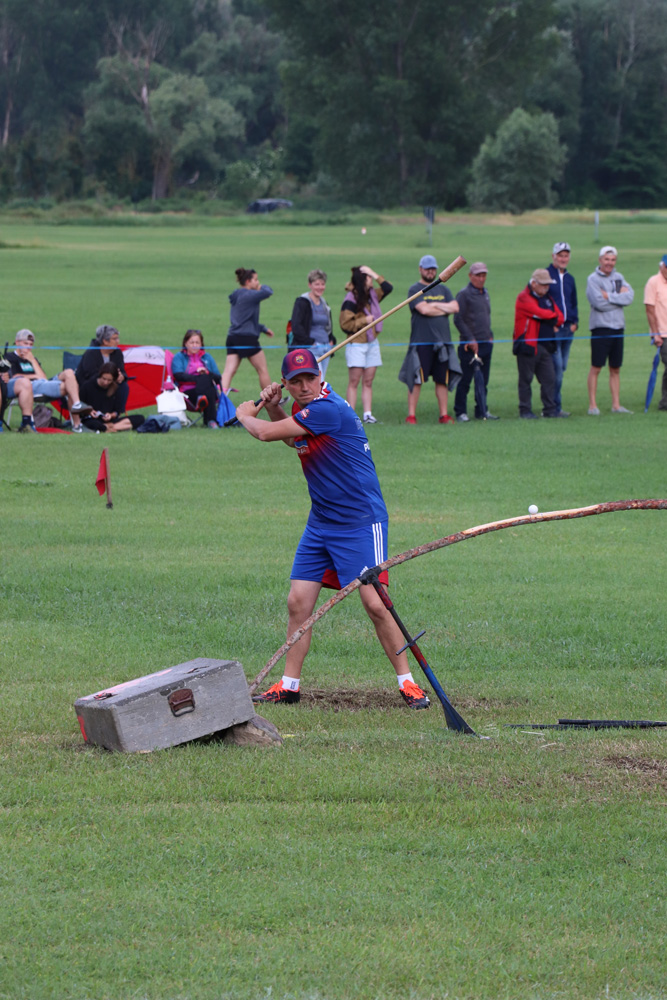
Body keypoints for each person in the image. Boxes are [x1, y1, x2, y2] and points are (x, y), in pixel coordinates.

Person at [236, 348, 431, 710]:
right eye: (296, 381)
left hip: (361, 521)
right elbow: (293, 438)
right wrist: (276, 407)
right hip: (322, 522)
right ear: (286, 384)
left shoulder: (329, 409)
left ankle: (408, 683)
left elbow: (264, 434)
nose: (305, 386)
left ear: (321, 376)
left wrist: (246, 414)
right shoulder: (306, 411)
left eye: (310, 378)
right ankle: (289, 686)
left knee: (375, 604)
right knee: (298, 602)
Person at [399, 255, 460, 424]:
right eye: (427, 269)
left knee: (442, 380)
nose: (430, 272)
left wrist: (434, 305)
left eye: (433, 269)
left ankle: (443, 415)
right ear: (420, 269)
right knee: (417, 379)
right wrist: (443, 308)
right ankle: (411, 415)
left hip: (443, 343)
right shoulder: (415, 289)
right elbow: (423, 310)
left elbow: (455, 307)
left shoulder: (444, 290)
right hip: (422, 342)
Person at [5, 328, 89, 432]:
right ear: (17, 342)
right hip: (30, 387)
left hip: (43, 383)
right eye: (25, 343)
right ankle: (77, 425)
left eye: (31, 344)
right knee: (70, 387)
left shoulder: (32, 358)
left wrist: (32, 360)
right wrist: (35, 376)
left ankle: (77, 404)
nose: (28, 347)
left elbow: (43, 378)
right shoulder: (9, 357)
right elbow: (15, 377)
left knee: (69, 372)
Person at [339, 265, 393, 423]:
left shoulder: (372, 295)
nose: (372, 280)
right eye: (368, 277)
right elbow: (345, 325)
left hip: (372, 343)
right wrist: (364, 321)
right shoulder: (351, 299)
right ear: (362, 280)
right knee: (354, 381)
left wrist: (374, 273)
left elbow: (388, 288)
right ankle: (350, 417)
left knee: (368, 381)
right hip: (357, 344)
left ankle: (368, 415)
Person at [586, 246, 634, 415]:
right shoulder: (593, 279)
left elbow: (630, 297)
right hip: (601, 328)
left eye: (613, 260)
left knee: (615, 368)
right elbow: (598, 303)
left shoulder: (619, 277)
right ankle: (592, 405)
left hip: (618, 328)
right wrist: (618, 299)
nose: (610, 263)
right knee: (596, 367)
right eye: (607, 259)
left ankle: (616, 405)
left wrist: (609, 296)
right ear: (600, 260)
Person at [513, 269, 564, 419]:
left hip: (546, 346)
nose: (546, 288)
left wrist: (550, 317)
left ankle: (550, 410)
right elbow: (539, 312)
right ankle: (525, 410)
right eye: (543, 285)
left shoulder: (547, 298)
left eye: (548, 285)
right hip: (527, 345)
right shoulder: (523, 297)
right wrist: (551, 317)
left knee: (549, 379)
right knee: (525, 380)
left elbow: (560, 317)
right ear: (534, 284)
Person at [453, 262, 498, 421]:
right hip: (469, 346)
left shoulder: (485, 292)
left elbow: (486, 316)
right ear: (470, 276)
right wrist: (470, 338)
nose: (481, 278)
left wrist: (490, 335)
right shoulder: (464, 294)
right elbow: (458, 319)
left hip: (485, 343)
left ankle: (482, 410)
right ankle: (461, 412)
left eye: (483, 275)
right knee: (465, 380)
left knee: (483, 381)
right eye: (478, 275)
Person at [221, 268, 274, 394]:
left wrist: (263, 329)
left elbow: (244, 319)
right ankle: (272, 399)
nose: (257, 282)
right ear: (248, 282)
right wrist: (260, 287)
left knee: (228, 371)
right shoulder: (250, 295)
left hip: (232, 337)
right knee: (262, 369)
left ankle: (220, 399)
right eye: (255, 280)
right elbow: (268, 291)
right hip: (247, 338)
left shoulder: (236, 294)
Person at [547, 241, 578, 417]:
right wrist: (550, 324)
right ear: (553, 256)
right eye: (560, 255)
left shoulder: (570, 279)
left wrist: (575, 322)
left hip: (568, 329)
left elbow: (573, 302)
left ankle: (553, 404)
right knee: (557, 369)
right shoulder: (546, 275)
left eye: (566, 256)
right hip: (554, 331)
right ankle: (554, 407)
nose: (563, 259)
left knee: (562, 367)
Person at [288, 268, 336, 379]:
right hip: (310, 349)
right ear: (310, 285)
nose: (320, 287)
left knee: (321, 381)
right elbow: (296, 326)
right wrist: (310, 343)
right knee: (317, 380)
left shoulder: (324, 303)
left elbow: (327, 325)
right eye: (317, 284)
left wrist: (331, 340)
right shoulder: (302, 302)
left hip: (325, 348)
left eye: (322, 284)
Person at [171, 329, 222, 428]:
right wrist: (198, 377)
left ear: (201, 344)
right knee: (208, 385)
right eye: (192, 342)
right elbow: (178, 375)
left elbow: (218, 377)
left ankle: (201, 398)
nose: (194, 345)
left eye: (197, 342)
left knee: (207, 382)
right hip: (187, 394)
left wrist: (206, 373)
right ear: (185, 343)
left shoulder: (207, 357)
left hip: (207, 391)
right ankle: (211, 421)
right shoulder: (179, 357)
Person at [76, 325, 129, 415]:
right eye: (114, 339)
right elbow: (90, 375)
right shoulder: (91, 354)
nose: (118, 341)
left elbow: (122, 370)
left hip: (110, 385)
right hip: (92, 386)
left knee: (123, 386)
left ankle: (116, 414)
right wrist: (109, 377)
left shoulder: (117, 353)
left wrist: (121, 377)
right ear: (105, 341)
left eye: (117, 338)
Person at [79, 363, 145, 433]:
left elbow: (117, 412)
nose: (105, 382)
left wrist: (111, 415)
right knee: (93, 424)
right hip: (92, 419)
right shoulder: (87, 386)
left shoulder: (116, 388)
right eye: (104, 379)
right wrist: (89, 411)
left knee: (140, 419)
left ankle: (108, 427)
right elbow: (80, 405)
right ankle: (113, 427)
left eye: (109, 380)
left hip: (109, 420)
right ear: (100, 375)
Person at [643, 254, 667, 412]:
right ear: (662, 266)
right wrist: (655, 334)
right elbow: (649, 310)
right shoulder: (653, 282)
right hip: (663, 334)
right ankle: (665, 402)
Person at [1, 356, 35, 432]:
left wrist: (6, 374)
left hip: (3, 384)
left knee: (25, 383)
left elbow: (6, 369)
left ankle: (26, 424)